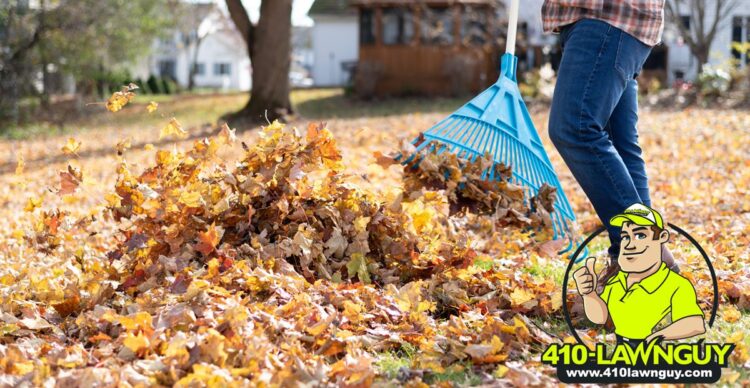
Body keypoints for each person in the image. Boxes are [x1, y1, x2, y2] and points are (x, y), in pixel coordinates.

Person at [542, 0, 677, 283]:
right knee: (620, 145)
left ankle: (645, 254)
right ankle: (637, 267)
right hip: (612, 21)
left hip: (606, 15)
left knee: (574, 127)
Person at [572, 204, 705, 344]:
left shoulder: (676, 284)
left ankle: (665, 259)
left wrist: (657, 337)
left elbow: (695, 323)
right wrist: (589, 294)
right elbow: (601, 316)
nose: (629, 245)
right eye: (625, 237)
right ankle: (663, 257)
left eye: (640, 235)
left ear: (662, 237)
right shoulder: (619, 279)